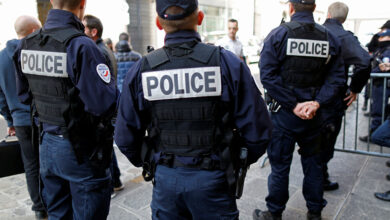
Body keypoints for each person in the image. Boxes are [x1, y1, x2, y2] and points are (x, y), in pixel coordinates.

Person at [114, 0, 272, 219]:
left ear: (159, 24)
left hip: (167, 180)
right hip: (214, 179)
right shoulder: (228, 64)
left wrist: (154, 162)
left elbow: (124, 138)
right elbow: (259, 133)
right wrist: (231, 160)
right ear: (200, 18)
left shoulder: (141, 71)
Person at [13, 0, 118, 219]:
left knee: (58, 214)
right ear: (83, 3)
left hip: (47, 144)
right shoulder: (82, 45)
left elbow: (23, 96)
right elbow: (103, 105)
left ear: (52, 1)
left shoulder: (28, 44)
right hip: (81, 148)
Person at [253, 0, 345, 219]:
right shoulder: (329, 37)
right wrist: (316, 103)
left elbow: (267, 75)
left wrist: (293, 104)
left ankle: (274, 213)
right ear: (314, 8)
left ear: (291, 8)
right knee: (314, 165)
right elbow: (337, 78)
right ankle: (315, 213)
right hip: (314, 115)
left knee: (280, 166)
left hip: (285, 115)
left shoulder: (278, 35)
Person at [0, 15, 47, 219]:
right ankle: (53, 201)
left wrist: (10, 120)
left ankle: (39, 208)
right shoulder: (34, 52)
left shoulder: (0, 58)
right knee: (47, 161)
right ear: (32, 31)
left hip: (20, 121)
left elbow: (0, 96)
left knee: (31, 166)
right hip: (41, 117)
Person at [321, 1, 371, 191]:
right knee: (325, 145)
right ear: (344, 18)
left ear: (328, 14)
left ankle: (317, 178)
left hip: (308, 98)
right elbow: (365, 62)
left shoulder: (315, 32)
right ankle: (320, 181)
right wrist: (355, 89)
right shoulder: (345, 37)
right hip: (332, 101)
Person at [82, 14, 124, 196]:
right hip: (107, 109)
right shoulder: (101, 48)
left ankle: (111, 184)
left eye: (82, 27)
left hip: (103, 111)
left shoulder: (97, 51)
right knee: (106, 148)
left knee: (104, 149)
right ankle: (115, 181)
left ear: (93, 31)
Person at [360, 29, 390, 142]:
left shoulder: (387, 51)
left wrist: (371, 73)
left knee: (378, 111)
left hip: (382, 84)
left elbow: (382, 67)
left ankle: (374, 134)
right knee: (377, 109)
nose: (379, 39)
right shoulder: (381, 49)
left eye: (382, 37)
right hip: (378, 84)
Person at [83, 14, 118, 80]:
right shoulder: (103, 48)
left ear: (94, 32)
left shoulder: (97, 51)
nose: (80, 32)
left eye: (83, 29)